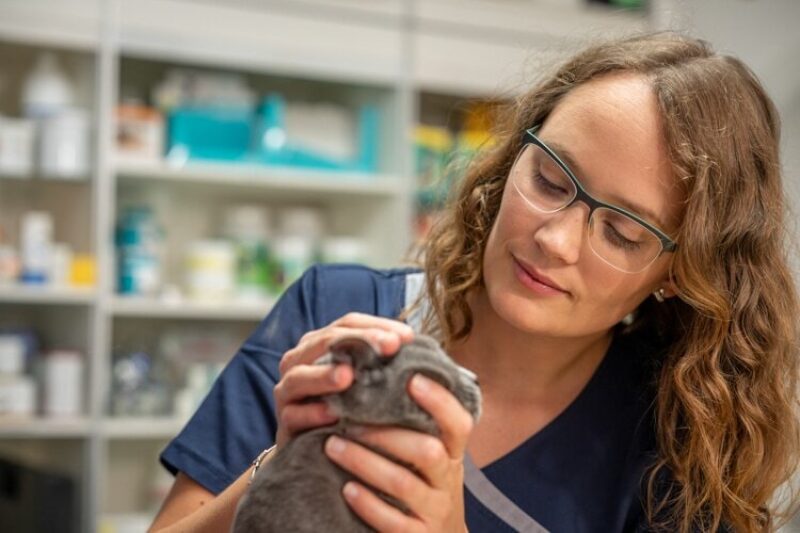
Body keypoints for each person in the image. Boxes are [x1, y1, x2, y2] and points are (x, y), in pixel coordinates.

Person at [148, 31, 800, 533]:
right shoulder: (340, 314)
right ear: (514, 152)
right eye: (549, 179)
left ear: (679, 273)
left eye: (623, 232)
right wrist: (279, 465)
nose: (555, 238)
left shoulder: (672, 457)